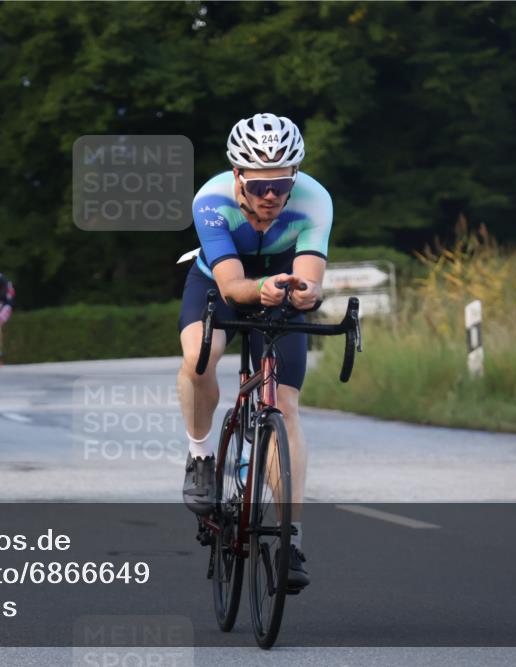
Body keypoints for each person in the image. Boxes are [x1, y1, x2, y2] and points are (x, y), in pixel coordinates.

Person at [177, 113, 332, 590]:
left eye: (282, 184)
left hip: (278, 281)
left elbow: (309, 275)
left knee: (284, 407)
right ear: (238, 176)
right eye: (260, 185)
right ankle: (201, 455)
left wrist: (306, 293)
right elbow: (232, 285)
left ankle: (291, 538)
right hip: (219, 280)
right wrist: (262, 287)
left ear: (296, 177)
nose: (271, 197)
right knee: (201, 354)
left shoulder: (314, 200)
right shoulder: (210, 199)